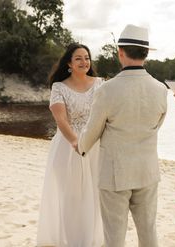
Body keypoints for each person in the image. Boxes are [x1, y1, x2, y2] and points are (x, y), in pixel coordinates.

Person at [77, 24, 168, 247]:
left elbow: (93, 130)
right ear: (146, 54)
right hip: (147, 170)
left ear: (120, 52)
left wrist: (81, 147)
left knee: (114, 236)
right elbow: (157, 126)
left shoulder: (107, 90)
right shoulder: (161, 89)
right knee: (148, 231)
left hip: (115, 173)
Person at [37, 43, 104, 247]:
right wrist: (76, 141)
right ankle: (71, 240)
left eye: (87, 57)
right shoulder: (59, 87)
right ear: (69, 63)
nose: (84, 62)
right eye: (78, 58)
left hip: (95, 145)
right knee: (70, 194)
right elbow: (61, 120)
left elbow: (107, 114)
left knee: (94, 192)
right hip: (67, 145)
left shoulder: (101, 84)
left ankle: (91, 239)